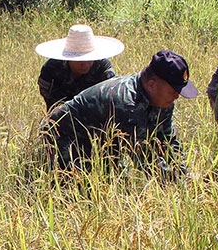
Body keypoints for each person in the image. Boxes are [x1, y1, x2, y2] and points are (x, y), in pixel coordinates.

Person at [43, 49, 198, 182]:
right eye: (173, 91)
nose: (176, 96)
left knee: (114, 178)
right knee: (82, 187)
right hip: (63, 135)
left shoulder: (163, 98)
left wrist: (184, 172)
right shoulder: (127, 104)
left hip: (101, 137)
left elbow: (166, 138)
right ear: (151, 85)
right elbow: (145, 160)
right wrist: (181, 183)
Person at [34, 24, 123, 109]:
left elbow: (110, 97)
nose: (84, 64)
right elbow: (51, 104)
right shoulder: (51, 69)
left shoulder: (103, 67)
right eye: (79, 60)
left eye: (89, 59)